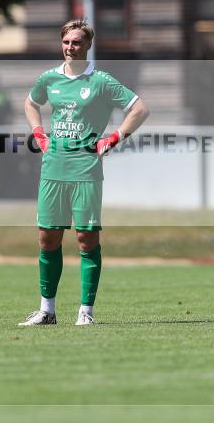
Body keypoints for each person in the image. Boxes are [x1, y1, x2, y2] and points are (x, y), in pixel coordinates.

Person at [19, 18, 149, 327]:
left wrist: (113, 139)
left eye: (76, 42)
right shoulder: (49, 78)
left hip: (86, 167)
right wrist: (39, 134)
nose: (70, 47)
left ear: (88, 45)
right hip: (54, 166)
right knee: (47, 238)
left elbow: (139, 109)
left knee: (86, 239)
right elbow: (30, 103)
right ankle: (47, 311)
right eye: (66, 41)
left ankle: (85, 312)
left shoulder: (101, 81)